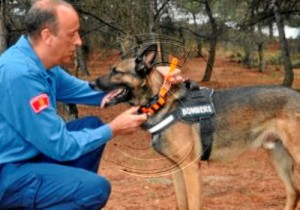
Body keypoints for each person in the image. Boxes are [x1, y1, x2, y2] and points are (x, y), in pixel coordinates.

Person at [0, 0, 184, 209]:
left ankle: (64, 193)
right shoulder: (20, 74)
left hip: (30, 157)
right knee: (94, 189)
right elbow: (60, 146)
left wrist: (153, 75)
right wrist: (113, 129)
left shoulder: (43, 66)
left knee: (91, 127)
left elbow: (93, 92)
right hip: (8, 173)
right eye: (72, 34)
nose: (78, 42)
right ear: (47, 36)